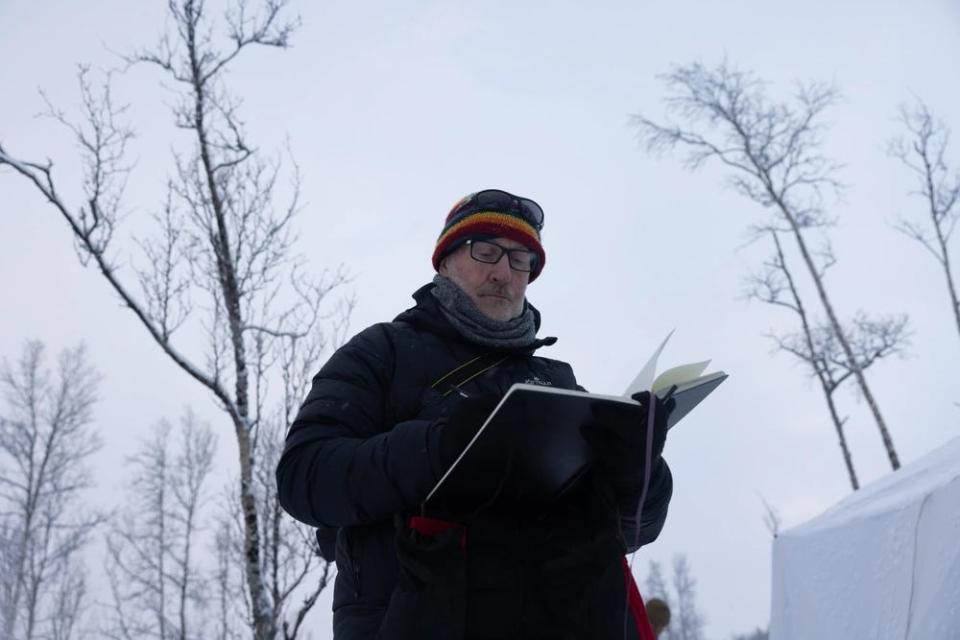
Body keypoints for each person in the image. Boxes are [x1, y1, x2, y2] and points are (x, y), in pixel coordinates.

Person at [276, 189, 673, 639]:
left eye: (521, 260)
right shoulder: (383, 351)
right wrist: (440, 446)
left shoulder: (556, 381)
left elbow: (634, 532)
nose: (504, 272)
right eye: (486, 252)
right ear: (445, 261)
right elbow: (303, 477)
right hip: (419, 619)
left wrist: (637, 474)